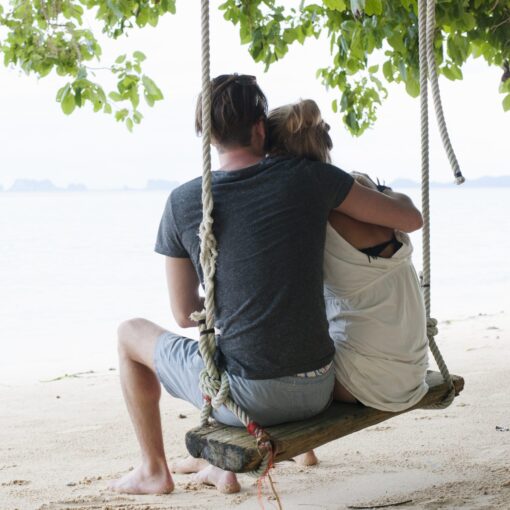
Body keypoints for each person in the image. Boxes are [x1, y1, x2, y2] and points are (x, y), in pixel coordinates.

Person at [110, 76, 423, 496]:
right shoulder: (311, 178)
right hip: (318, 387)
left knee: (129, 333)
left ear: (207, 136)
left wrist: (232, 298)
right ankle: (215, 467)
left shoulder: (183, 202)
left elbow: (185, 314)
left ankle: (153, 470)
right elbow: (409, 220)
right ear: (260, 128)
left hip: (247, 400)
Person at [266, 99, 429, 466]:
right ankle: (304, 450)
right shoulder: (362, 194)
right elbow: (412, 216)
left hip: (367, 382)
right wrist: (377, 187)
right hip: (412, 371)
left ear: (275, 156)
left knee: (266, 370)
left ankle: (218, 465)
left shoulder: (310, 211)